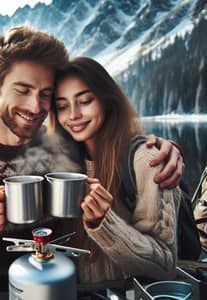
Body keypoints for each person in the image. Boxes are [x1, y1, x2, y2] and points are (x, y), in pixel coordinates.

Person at [0, 26, 182, 293]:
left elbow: (111, 143)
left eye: (45, 94)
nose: (35, 107)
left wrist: (161, 149)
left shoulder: (62, 146)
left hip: (60, 290)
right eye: (23, 89)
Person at [48, 56, 182, 289]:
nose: (73, 115)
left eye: (85, 100)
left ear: (106, 101)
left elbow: (165, 264)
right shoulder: (61, 163)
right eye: (62, 106)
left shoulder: (147, 159)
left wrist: (105, 223)